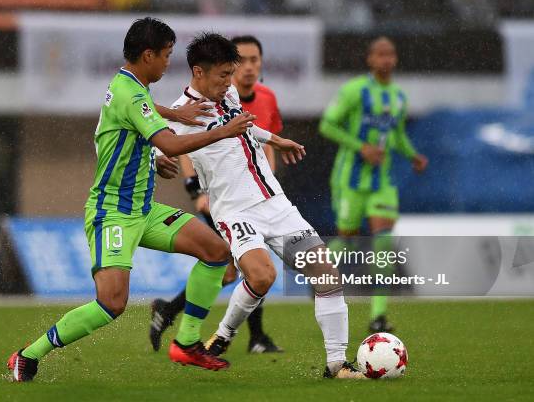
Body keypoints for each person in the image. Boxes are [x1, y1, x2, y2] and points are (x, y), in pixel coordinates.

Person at [7, 17, 256, 381]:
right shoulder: (130, 92)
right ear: (148, 54)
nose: (169, 63)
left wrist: (171, 122)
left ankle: (186, 342)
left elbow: (144, 112)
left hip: (144, 209)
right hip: (113, 214)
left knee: (217, 252)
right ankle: (28, 354)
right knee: (112, 303)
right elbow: (168, 142)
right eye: (167, 55)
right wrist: (223, 131)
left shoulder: (131, 86)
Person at [167, 32, 365, 379]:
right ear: (198, 72)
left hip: (276, 204)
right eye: (223, 75)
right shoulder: (179, 115)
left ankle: (337, 363)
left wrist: (275, 138)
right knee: (262, 276)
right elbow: (161, 151)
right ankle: (225, 334)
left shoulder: (227, 94)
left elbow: (244, 128)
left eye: (232, 73)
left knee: (327, 274)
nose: (230, 82)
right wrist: (161, 164)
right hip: (234, 211)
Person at [149, 35, 283, 354]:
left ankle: (169, 311)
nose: (248, 68)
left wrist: (268, 182)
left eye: (254, 60)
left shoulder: (264, 98)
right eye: (242, 62)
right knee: (237, 265)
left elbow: (259, 142)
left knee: (235, 267)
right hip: (223, 198)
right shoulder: (200, 104)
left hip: (257, 192)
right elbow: (182, 146)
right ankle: (251, 336)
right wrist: (194, 189)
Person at [319, 36, 428, 333]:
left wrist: (412, 155)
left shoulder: (398, 98)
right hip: (350, 180)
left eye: (390, 54)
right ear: (370, 59)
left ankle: (378, 315)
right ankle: (320, 283)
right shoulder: (354, 90)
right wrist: (360, 147)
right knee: (347, 239)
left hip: (382, 182)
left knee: (382, 243)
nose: (386, 59)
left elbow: (397, 136)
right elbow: (327, 125)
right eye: (380, 54)